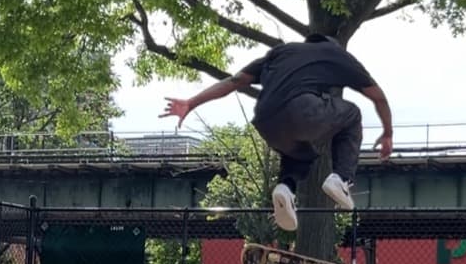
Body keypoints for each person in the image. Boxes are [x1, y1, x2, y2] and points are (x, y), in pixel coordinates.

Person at [161, 33, 393, 231]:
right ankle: (341, 178)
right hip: (303, 111)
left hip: (266, 121)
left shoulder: (281, 52)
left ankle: (285, 188)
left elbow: (235, 81)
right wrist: (388, 133)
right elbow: (379, 97)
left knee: (299, 155)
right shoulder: (337, 54)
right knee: (353, 115)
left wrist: (191, 102)